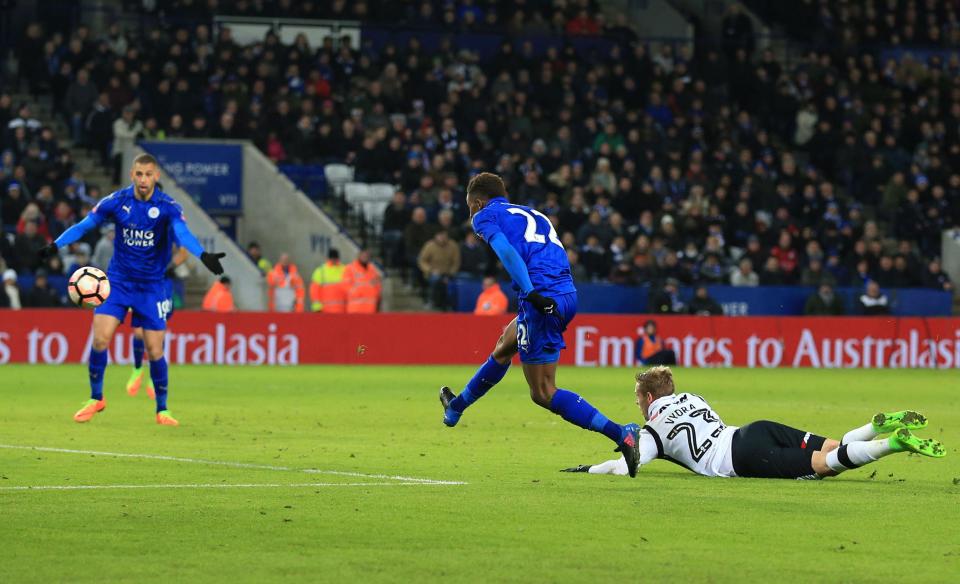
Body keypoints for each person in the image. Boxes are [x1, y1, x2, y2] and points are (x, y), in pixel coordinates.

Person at [438, 172, 643, 476]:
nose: (470, 215)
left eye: (470, 207)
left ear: (478, 202)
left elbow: (507, 253)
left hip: (540, 298)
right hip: (566, 292)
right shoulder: (533, 213)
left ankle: (621, 433)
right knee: (505, 345)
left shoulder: (484, 217)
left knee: (543, 392)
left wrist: (532, 294)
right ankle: (456, 407)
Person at [39, 153, 226, 426]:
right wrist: (56, 244)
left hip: (151, 287)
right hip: (118, 282)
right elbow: (84, 226)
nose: (143, 179)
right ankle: (96, 398)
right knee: (100, 339)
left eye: (148, 174)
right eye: (139, 174)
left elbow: (183, 233)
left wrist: (202, 254)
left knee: (154, 349)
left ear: (156, 177)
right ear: (132, 175)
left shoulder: (168, 207)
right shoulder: (116, 202)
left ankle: (162, 410)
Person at [562, 366, 944, 479]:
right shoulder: (695, 397)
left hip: (742, 457)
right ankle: (874, 426)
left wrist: (589, 468)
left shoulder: (651, 431)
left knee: (824, 467)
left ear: (647, 399)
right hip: (753, 429)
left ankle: (891, 443)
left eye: (636, 399)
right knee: (832, 447)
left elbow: (627, 462)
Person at [126, 244, 188, 399]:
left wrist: (171, 266)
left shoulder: (170, 227)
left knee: (158, 332)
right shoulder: (141, 229)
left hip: (163, 286)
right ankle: (137, 369)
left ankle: (153, 378)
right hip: (143, 284)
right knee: (139, 333)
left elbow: (183, 252)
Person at [418, 229, 461, 310]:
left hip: (448, 273)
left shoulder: (453, 245)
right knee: (436, 280)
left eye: (444, 236)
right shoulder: (429, 245)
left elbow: (456, 262)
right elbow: (422, 260)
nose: (442, 238)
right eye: (440, 236)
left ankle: (450, 305)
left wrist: (450, 273)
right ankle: (432, 301)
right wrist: (430, 270)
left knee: (451, 283)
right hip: (432, 273)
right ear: (436, 236)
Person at [342, 248, 381, 313]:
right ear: (359, 256)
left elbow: (377, 285)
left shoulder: (372, 269)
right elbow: (345, 285)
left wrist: (376, 296)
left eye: (367, 256)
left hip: (370, 309)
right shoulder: (350, 268)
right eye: (363, 255)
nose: (365, 257)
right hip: (355, 309)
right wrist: (356, 293)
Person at [309, 248, 346, 313]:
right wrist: (317, 307)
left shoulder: (345, 270)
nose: (334, 260)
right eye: (332, 258)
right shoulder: (321, 271)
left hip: (342, 310)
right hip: (325, 310)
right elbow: (314, 290)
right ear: (328, 258)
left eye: (335, 258)